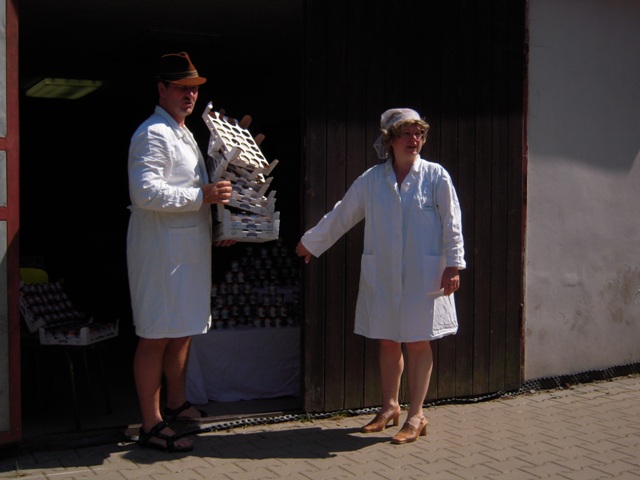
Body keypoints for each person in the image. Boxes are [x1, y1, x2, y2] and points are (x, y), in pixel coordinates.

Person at [296, 108, 465, 445]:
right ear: (390, 140)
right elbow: (343, 213)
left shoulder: (435, 176)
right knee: (387, 338)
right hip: (385, 273)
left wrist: (454, 264)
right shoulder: (372, 180)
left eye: (418, 133)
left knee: (417, 341)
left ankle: (416, 414)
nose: (414, 140)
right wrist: (311, 242)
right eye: (406, 133)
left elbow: (452, 220)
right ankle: (389, 407)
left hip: (423, 274)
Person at [127, 51, 235, 452]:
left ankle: (176, 403)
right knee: (155, 334)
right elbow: (144, 193)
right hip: (160, 254)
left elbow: (195, 195)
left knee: (182, 330)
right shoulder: (152, 133)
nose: (189, 95)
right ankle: (150, 423)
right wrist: (202, 196)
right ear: (162, 89)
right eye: (180, 88)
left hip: (187, 251)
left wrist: (218, 226)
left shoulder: (184, 133)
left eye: (194, 89)